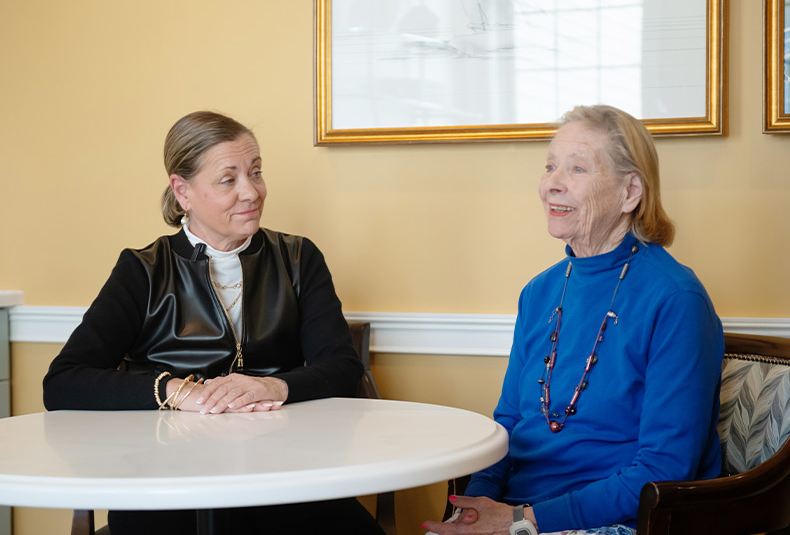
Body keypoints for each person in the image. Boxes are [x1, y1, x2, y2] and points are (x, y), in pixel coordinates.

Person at [43, 111, 386, 535]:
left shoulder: (299, 259)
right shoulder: (142, 269)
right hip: (165, 487)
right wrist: (176, 391)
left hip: (288, 481)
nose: (251, 192)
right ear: (182, 191)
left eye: (256, 172)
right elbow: (63, 381)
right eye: (229, 179)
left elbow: (341, 367)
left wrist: (273, 385)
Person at [424, 105, 723, 535]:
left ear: (630, 192)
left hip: (620, 520)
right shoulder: (539, 292)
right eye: (549, 166)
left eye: (577, 168)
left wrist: (517, 521)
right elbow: (509, 422)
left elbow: (663, 469)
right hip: (517, 513)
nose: (552, 185)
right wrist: (477, 504)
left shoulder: (676, 299)